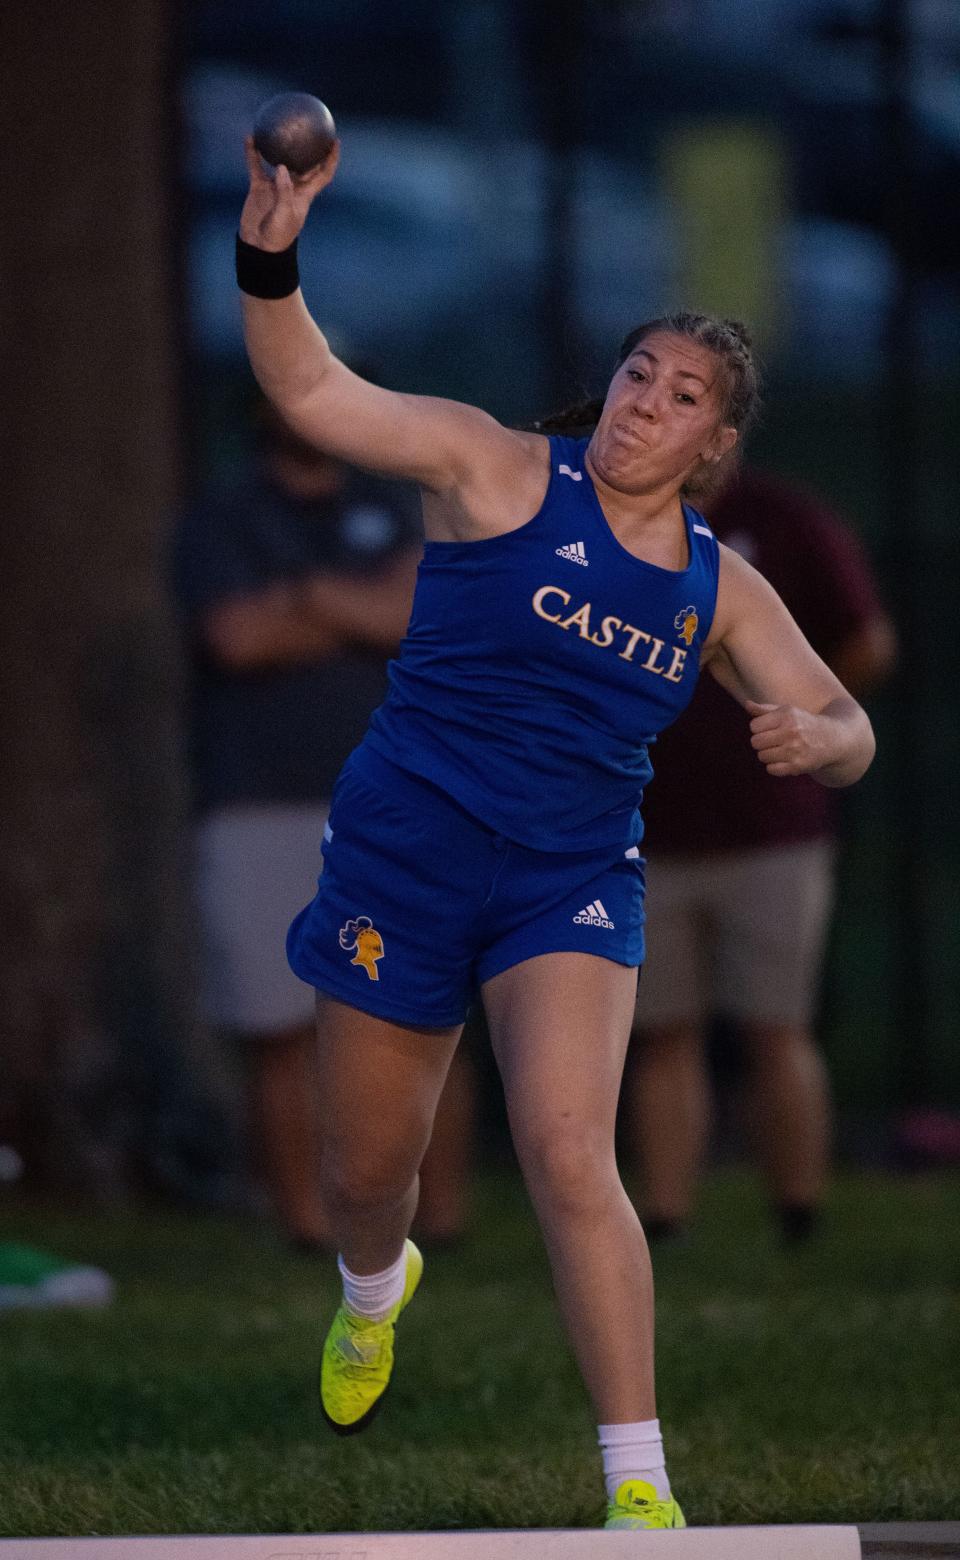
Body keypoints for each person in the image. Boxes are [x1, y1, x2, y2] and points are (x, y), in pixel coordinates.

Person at [234, 136, 875, 1531]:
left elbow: (845, 720)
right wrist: (270, 248)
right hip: (407, 851)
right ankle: (370, 1287)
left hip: (567, 879)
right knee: (366, 1178)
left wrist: (816, 736)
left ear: (718, 443)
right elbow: (310, 384)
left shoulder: (718, 585)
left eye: (684, 394)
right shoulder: (495, 467)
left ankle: (638, 1485)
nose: (649, 399)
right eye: (640, 371)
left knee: (572, 1152)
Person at [173, 399, 475, 1251]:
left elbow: (417, 616)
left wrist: (302, 596)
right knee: (280, 1026)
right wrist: (358, 605)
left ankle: (441, 1220)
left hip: (402, 801)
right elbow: (236, 637)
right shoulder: (221, 518)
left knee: (426, 1015)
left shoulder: (411, 504)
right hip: (258, 802)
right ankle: (309, 1227)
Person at [625, 464, 897, 1246]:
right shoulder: (608, 527)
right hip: (646, 829)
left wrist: (802, 716)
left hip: (772, 828)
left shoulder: (790, 522)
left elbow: (866, 644)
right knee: (661, 1031)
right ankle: (667, 1219)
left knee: (776, 1026)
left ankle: (798, 1213)